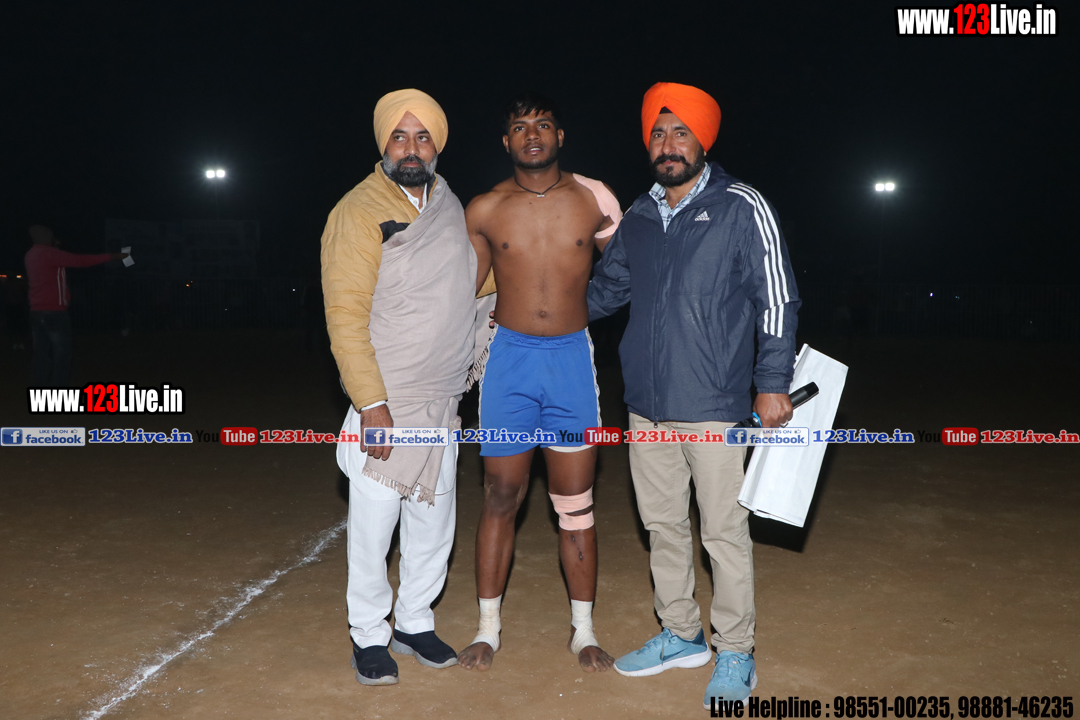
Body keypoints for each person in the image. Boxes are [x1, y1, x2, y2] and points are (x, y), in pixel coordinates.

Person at [587, 82, 801, 708]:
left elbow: (777, 296)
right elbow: (603, 293)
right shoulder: (639, 216)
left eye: (680, 132)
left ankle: (736, 649)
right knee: (662, 526)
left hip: (714, 404)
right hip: (646, 405)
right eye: (658, 134)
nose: (668, 144)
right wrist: (526, 306)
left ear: (702, 140)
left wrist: (773, 382)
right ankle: (681, 634)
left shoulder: (740, 205)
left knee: (723, 533)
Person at [320, 89, 495, 686]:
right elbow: (344, 314)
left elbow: (474, 282)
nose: (411, 148)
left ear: (437, 145)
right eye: (400, 137)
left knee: (433, 522)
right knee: (373, 531)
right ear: (384, 145)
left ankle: (415, 621)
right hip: (386, 402)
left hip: (442, 400)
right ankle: (369, 633)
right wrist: (371, 403)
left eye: (423, 137)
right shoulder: (357, 209)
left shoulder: (451, 206)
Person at [457, 93, 623, 673]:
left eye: (544, 124)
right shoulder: (484, 208)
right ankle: (487, 630)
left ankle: (583, 632)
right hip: (509, 362)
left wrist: (586, 310)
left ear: (560, 136)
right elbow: (461, 293)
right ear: (506, 141)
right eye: (521, 127)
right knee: (501, 495)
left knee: (575, 503)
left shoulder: (594, 198)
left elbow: (629, 271)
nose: (533, 134)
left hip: (572, 362)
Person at [23, 225, 128, 386]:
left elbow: (52, 267)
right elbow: (80, 261)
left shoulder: (30, 255)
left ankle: (40, 387)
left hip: (36, 311)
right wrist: (112, 256)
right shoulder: (51, 254)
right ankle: (58, 389)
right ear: (46, 237)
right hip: (54, 311)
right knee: (62, 354)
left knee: (41, 353)